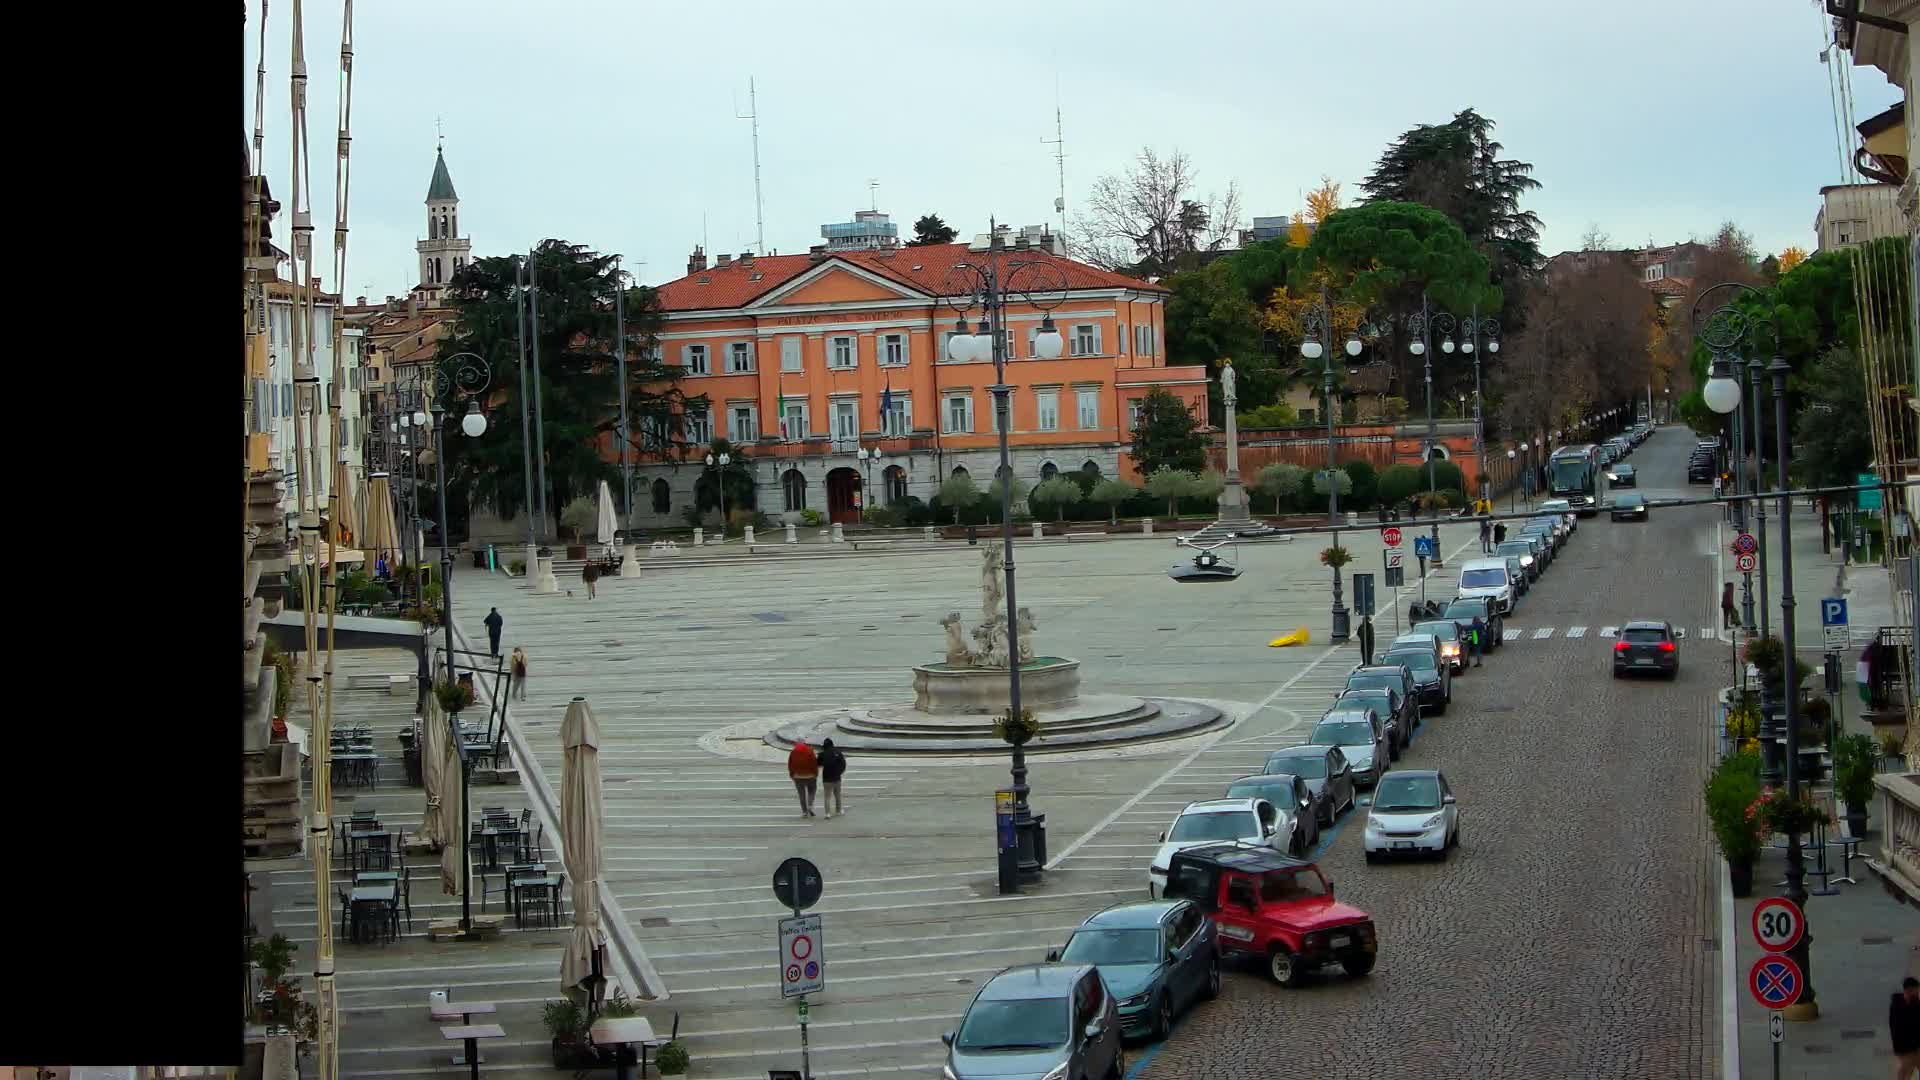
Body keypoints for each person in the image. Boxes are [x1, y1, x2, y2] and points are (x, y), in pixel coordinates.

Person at [1893, 976, 1920, 1080]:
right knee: (1905, 1070)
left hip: (1914, 1045)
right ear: (1909, 990)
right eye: (1916, 991)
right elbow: (1898, 1029)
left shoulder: (1915, 1003)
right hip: (1905, 1047)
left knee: (1907, 1070)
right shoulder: (1897, 1007)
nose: (1918, 993)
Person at [787, 739, 819, 818]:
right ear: (805, 744)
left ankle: (804, 812)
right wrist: (815, 774)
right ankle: (810, 805)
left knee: (801, 794)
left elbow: (790, 765)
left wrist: (792, 775)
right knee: (812, 791)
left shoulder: (793, 752)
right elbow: (814, 763)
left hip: (798, 777)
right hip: (810, 776)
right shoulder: (810, 751)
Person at [818, 738, 848, 818]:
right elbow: (843, 764)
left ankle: (827, 813)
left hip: (827, 778)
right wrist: (839, 772)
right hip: (837, 777)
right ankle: (838, 811)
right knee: (837, 795)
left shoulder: (822, 754)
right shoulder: (838, 752)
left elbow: (818, 763)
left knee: (827, 796)